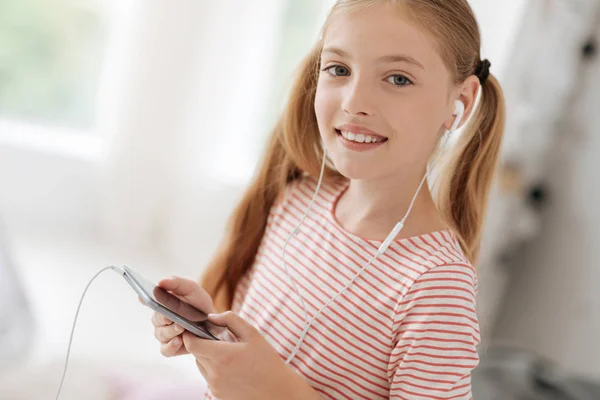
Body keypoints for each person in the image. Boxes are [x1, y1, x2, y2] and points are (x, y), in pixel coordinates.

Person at [150, 0, 505, 399]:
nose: (355, 102)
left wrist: (282, 391)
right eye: (339, 69)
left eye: (398, 79)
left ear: (460, 103)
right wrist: (212, 331)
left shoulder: (436, 286)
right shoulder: (297, 204)